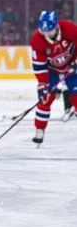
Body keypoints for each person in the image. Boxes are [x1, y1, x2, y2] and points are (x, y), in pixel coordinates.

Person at [30, 10, 77, 144]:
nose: (47, 33)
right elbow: (39, 66)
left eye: (49, 30)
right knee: (45, 100)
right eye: (44, 30)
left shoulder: (70, 28)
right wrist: (42, 85)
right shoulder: (37, 40)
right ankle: (40, 129)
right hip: (52, 71)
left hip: (71, 67)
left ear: (56, 25)